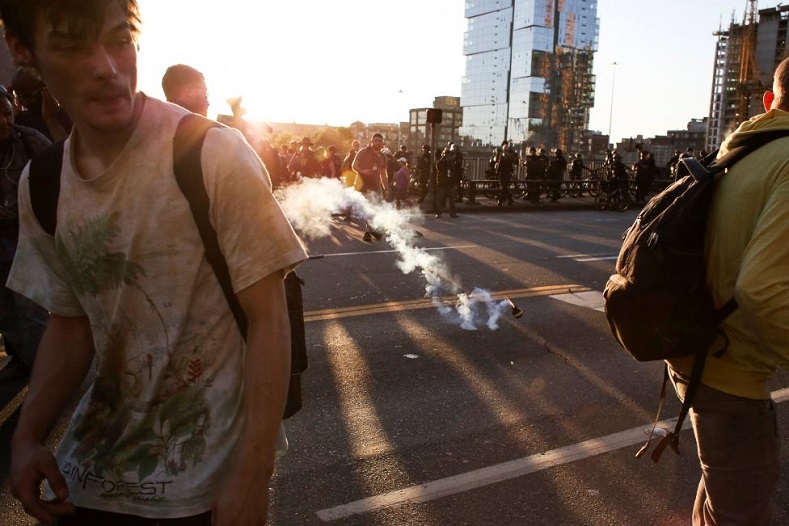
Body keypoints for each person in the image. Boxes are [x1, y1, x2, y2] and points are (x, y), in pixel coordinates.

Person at [0, 2, 308, 525]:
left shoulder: (212, 155)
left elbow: (268, 318)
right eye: (73, 45)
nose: (107, 67)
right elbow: (71, 326)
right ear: (23, 51)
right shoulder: (45, 183)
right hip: (91, 481)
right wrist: (28, 437)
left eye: (119, 40)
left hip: (206, 491)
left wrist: (253, 476)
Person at [665, 56, 789, 526]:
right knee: (741, 512)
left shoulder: (741, 149)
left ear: (769, 100)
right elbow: (761, 289)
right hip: (731, 370)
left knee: (720, 497)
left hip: (695, 350)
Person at [0, 85, 50, 381]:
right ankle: (26, 363)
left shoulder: (31, 142)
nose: (3, 122)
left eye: (7, 114)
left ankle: (46, 376)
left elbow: (63, 175)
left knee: (33, 312)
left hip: (28, 240)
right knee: (7, 314)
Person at [10, 66, 71, 141]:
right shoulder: (22, 120)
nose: (24, 103)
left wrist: (52, 122)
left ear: (46, 91)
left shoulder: (71, 117)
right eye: (19, 97)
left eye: (28, 96)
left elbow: (69, 151)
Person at [351, 133, 388, 241]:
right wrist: (363, 172)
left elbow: (383, 174)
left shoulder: (383, 156)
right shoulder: (363, 151)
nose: (377, 142)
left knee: (375, 208)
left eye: (380, 141)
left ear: (382, 143)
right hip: (363, 184)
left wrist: (386, 188)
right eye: (375, 140)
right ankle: (369, 231)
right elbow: (354, 166)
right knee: (367, 208)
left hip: (375, 185)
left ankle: (370, 230)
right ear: (372, 141)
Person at [434, 148, 459, 219]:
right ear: (443, 155)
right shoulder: (440, 162)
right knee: (439, 200)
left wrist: (454, 183)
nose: (448, 156)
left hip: (450, 184)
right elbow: (439, 168)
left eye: (449, 154)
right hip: (442, 184)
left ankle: (453, 213)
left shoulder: (451, 162)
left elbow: (454, 172)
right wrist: (445, 161)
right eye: (446, 154)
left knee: (452, 200)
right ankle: (438, 213)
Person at [495, 141, 517, 206]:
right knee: (504, 187)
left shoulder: (503, 156)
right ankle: (510, 199)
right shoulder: (510, 156)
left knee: (503, 187)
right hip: (507, 173)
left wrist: (497, 172)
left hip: (503, 173)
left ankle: (500, 201)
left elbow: (499, 165)